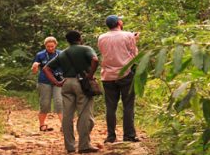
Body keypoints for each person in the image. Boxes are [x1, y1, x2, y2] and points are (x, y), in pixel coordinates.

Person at [43, 30, 100, 154]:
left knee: (67, 115)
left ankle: (70, 147)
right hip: (82, 83)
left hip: (66, 83)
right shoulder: (85, 48)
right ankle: (84, 145)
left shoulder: (63, 53)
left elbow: (46, 68)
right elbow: (95, 60)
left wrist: (56, 82)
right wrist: (90, 75)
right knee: (85, 113)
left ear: (67, 41)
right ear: (79, 38)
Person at [97, 15, 141, 143]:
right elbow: (134, 55)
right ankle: (129, 135)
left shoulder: (101, 37)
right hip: (125, 73)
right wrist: (134, 39)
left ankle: (111, 136)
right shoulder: (128, 35)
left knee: (110, 106)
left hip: (107, 75)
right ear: (119, 22)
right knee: (128, 104)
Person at [31, 36, 63, 132]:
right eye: (48, 46)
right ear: (45, 46)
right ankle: (42, 125)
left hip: (58, 81)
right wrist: (35, 67)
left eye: (52, 46)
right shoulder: (40, 55)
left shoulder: (61, 54)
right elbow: (34, 71)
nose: (50, 48)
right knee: (44, 104)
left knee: (59, 103)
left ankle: (64, 125)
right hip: (44, 81)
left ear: (55, 45)